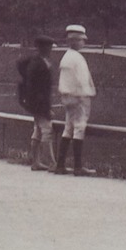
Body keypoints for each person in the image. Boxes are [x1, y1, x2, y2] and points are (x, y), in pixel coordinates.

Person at [54, 24, 96, 176]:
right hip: (79, 97)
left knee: (68, 128)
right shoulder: (78, 58)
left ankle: (60, 164)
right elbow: (82, 81)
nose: (83, 43)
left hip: (67, 97)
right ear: (76, 41)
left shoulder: (66, 57)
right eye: (82, 40)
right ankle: (78, 166)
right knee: (79, 128)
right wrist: (87, 95)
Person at [16, 34, 57, 171]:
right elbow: (39, 90)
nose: (50, 49)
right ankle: (52, 163)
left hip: (33, 103)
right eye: (48, 47)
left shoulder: (34, 61)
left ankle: (36, 162)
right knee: (47, 131)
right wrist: (46, 108)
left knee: (38, 130)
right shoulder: (39, 64)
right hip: (39, 103)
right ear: (42, 48)